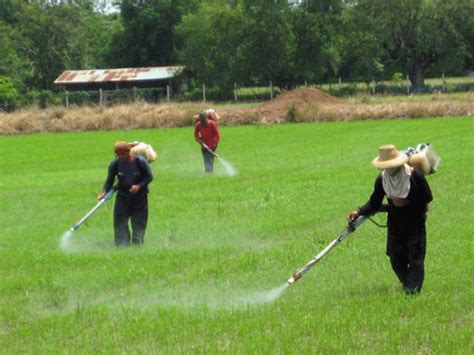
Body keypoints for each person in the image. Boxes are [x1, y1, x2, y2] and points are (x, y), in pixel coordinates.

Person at [347, 144, 433, 294]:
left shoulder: (413, 175)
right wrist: (359, 211)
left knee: (415, 257)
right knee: (396, 258)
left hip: (415, 220)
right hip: (395, 222)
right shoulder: (382, 180)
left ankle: (412, 290)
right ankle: (408, 284)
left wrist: (407, 202)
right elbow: (374, 202)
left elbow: (427, 197)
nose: (388, 169)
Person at [97, 141, 153, 246]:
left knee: (139, 221)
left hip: (139, 197)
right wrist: (103, 192)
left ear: (128, 152)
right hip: (122, 196)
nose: (120, 157)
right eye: (118, 154)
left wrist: (139, 186)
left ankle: (137, 245)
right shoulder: (114, 165)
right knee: (120, 221)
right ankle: (122, 245)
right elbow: (109, 181)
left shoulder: (140, 161)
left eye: (122, 154)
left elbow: (149, 177)